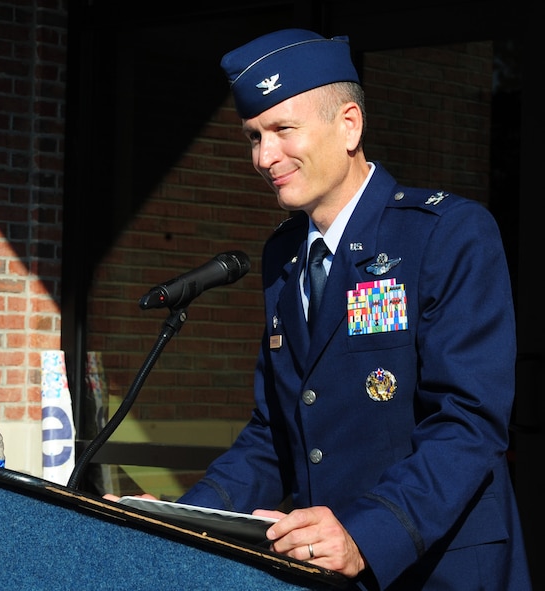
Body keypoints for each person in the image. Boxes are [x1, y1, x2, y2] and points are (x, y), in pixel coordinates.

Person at [113, 29, 531, 590]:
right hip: (327, 572)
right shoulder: (284, 254)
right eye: (254, 136)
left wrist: (368, 533)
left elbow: (469, 421)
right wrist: (186, 519)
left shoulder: (447, 233)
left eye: (283, 130)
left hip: (441, 566)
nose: (264, 157)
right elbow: (276, 433)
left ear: (349, 124)